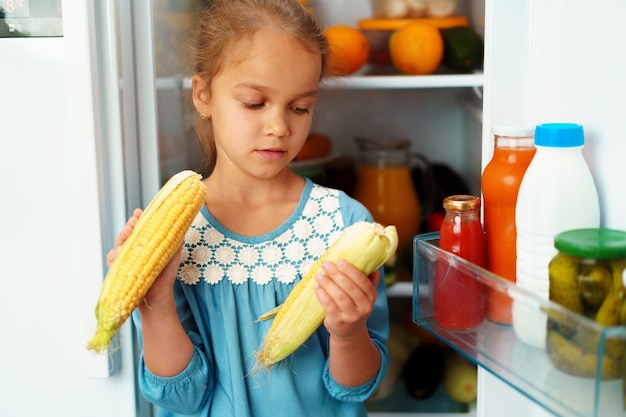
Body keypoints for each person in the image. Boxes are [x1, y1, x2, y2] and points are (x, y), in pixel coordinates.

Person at [108, 0, 390, 415]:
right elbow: (179, 398)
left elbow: (359, 388)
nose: (279, 127)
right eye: (255, 103)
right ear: (203, 95)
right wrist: (155, 305)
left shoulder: (345, 226)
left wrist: (348, 334)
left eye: (299, 107)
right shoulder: (174, 233)